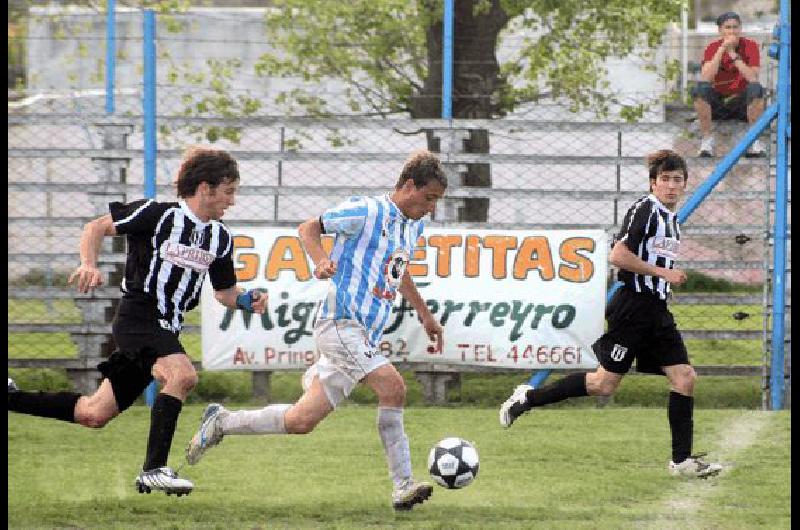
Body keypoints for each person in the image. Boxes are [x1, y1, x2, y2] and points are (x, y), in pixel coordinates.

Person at [185, 149, 447, 511]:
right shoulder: (367, 211)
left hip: (363, 334)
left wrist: (425, 315)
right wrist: (321, 259)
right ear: (408, 185)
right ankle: (402, 487)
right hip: (341, 324)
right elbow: (308, 228)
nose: (431, 208)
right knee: (394, 387)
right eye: (429, 198)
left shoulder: (413, 225)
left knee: (300, 420)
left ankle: (223, 422)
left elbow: (397, 271)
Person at [8, 147, 268, 496]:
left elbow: (225, 292)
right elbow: (96, 226)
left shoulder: (220, 237)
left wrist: (249, 300)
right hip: (138, 318)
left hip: (165, 328)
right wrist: (89, 263)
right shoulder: (157, 214)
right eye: (229, 191)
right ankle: (154, 469)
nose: (232, 201)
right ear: (205, 188)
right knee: (182, 374)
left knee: (93, 413)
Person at [499, 150, 723, 479]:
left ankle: (682, 461)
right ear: (653, 183)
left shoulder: (671, 221)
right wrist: (662, 274)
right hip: (632, 309)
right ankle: (527, 398)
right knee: (603, 385)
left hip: (656, 311)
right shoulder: (645, 210)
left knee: (684, 377)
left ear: (685, 184)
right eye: (665, 179)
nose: (672, 186)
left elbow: (652, 263)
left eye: (678, 180)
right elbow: (618, 255)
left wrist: (662, 284)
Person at [693, 11, 766, 158]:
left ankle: (754, 141)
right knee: (699, 89)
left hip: (742, 104)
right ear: (720, 30)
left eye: (735, 27)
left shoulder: (750, 46)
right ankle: (707, 141)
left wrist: (733, 54)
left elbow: (752, 77)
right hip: (718, 103)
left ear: (740, 29)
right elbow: (705, 77)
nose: (732, 31)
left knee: (756, 89)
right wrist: (722, 50)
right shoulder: (712, 48)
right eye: (728, 27)